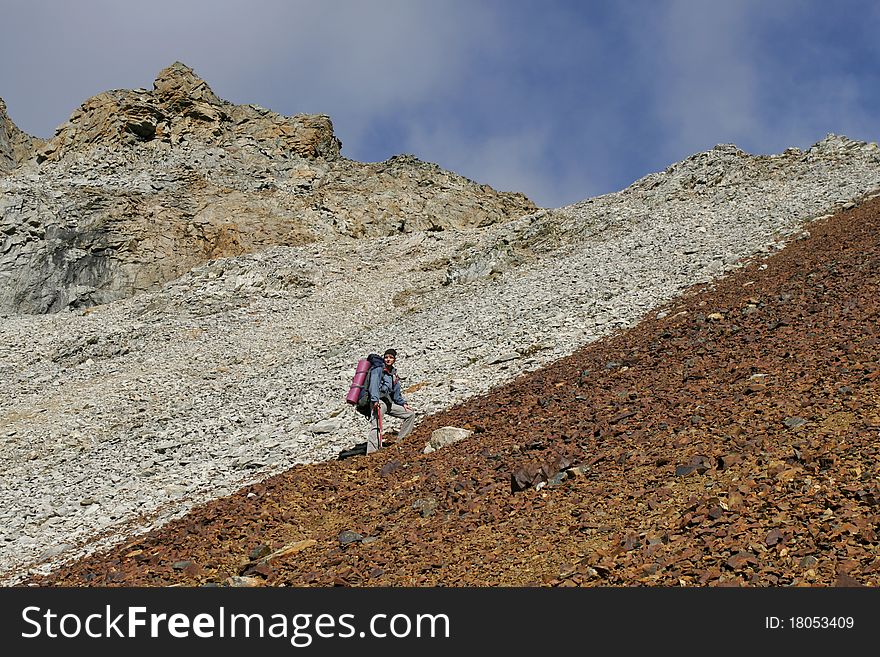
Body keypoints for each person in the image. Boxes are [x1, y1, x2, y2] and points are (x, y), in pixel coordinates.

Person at [367, 348, 415, 453]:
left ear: (394, 360)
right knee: (376, 426)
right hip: (378, 401)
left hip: (388, 403)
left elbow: (396, 393)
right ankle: (371, 452)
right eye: (386, 357)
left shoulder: (393, 374)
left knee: (410, 414)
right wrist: (375, 400)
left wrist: (403, 404)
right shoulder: (378, 369)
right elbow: (373, 385)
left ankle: (401, 442)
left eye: (391, 357)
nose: (388, 359)